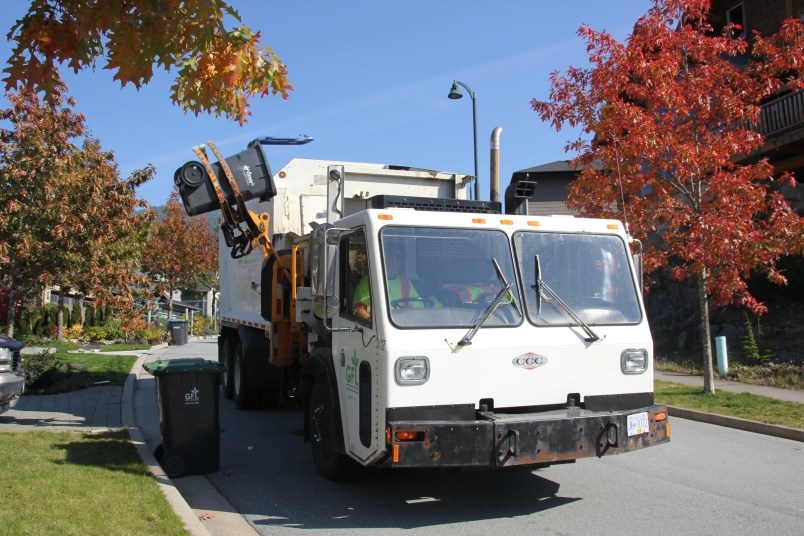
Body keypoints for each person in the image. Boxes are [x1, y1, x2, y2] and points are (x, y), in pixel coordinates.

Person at [352, 243, 434, 320]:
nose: (393, 260)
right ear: (382, 259)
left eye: (397, 257)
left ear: (401, 263)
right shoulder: (368, 282)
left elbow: (418, 308)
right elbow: (358, 308)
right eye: (389, 257)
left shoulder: (406, 283)